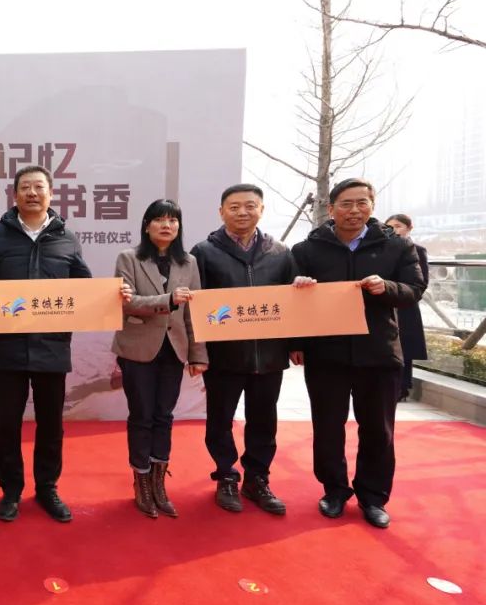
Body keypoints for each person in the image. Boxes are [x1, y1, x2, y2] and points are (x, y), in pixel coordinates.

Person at [291, 178, 425, 529]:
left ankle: (373, 496)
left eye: (362, 203)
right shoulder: (307, 249)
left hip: (379, 353)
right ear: (331, 208)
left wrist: (387, 287)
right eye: (346, 203)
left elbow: (414, 289)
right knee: (327, 428)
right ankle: (334, 490)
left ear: (372, 206)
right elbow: (291, 300)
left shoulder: (397, 246)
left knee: (379, 430)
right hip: (326, 355)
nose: (354, 210)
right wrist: (299, 293)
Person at [0, 165, 93, 523]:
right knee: (8, 423)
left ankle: (47, 488)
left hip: (53, 348)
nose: (32, 193)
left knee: (51, 424)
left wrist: (111, 296)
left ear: (51, 194)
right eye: (25, 187)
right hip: (8, 347)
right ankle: (10, 490)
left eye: (39, 187)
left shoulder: (67, 238)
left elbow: (84, 289)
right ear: (15, 195)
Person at [190, 184, 297, 516]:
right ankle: (225, 475)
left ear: (261, 210)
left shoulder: (281, 253)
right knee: (219, 420)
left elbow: (294, 303)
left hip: (270, 355)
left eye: (250, 206)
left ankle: (257, 478)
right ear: (221, 212)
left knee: (264, 420)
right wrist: (198, 351)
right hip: (224, 356)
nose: (242, 212)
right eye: (234, 207)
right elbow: (194, 305)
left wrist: (295, 344)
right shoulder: (204, 252)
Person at [112, 199, 207, 519]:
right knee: (142, 414)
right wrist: (167, 299)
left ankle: (158, 482)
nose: (167, 225)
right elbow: (125, 303)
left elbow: (194, 311)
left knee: (164, 416)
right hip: (138, 349)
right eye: (159, 220)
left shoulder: (189, 262)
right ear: (146, 225)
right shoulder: (129, 258)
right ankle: (141, 480)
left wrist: (197, 354)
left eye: (173, 220)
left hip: (174, 350)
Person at [384, 214, 429, 401]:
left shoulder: (418, 250)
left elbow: (421, 282)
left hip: (406, 306)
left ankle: (403, 388)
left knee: (406, 348)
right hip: (386, 303)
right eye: (389, 226)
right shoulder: (383, 249)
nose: (394, 230)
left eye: (398, 226)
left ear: (409, 228)